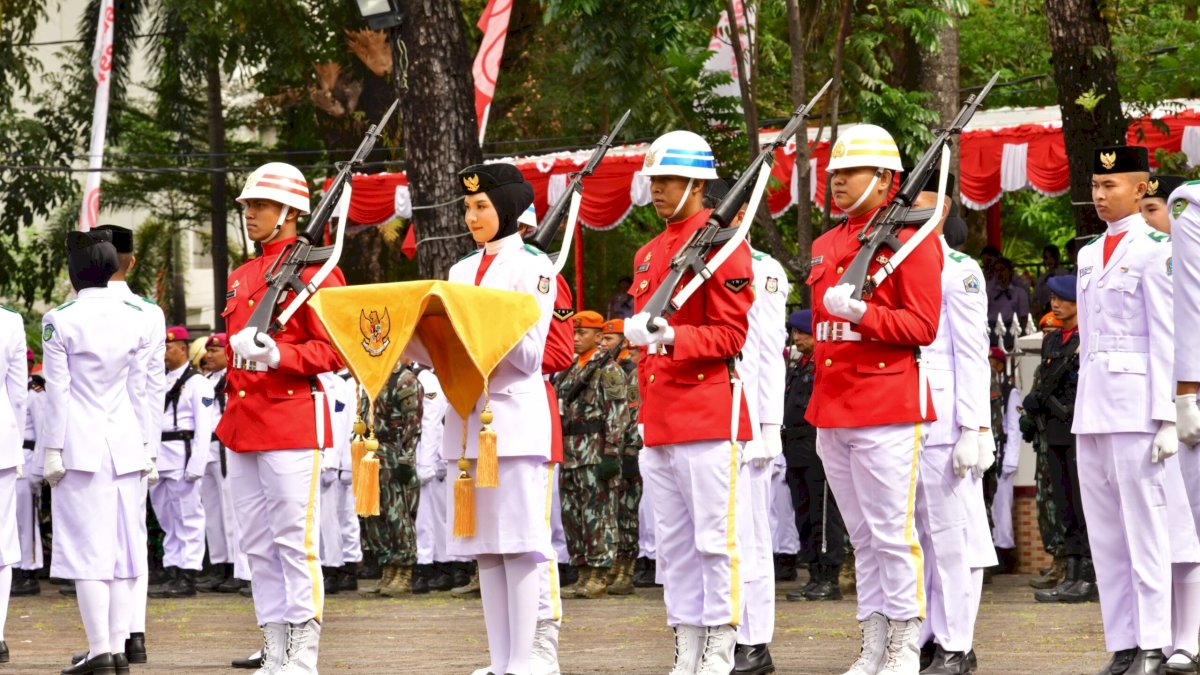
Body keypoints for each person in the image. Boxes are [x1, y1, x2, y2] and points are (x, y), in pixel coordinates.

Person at [805, 123, 943, 675]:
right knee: (862, 538)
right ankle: (872, 644)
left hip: (885, 404)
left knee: (891, 534)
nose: (837, 181)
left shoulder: (913, 239)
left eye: (850, 172)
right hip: (832, 405)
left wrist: (863, 313)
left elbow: (923, 325)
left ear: (886, 179)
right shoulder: (826, 244)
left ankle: (904, 646)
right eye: (834, 172)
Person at [408, 162, 555, 675]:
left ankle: (524, 661)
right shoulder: (459, 271)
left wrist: (476, 329)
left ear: (508, 208)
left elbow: (531, 355)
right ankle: (499, 662)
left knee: (519, 546)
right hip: (466, 420)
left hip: (511, 422)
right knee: (486, 551)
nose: (472, 217)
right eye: (468, 207)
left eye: (482, 207)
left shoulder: (534, 266)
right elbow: (447, 352)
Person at [623, 129, 753, 674]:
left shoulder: (724, 244)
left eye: (671, 179)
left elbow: (732, 335)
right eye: (654, 179)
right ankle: (687, 647)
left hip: (706, 410)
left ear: (698, 185)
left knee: (714, 542)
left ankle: (720, 648)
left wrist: (672, 335)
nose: (658, 189)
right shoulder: (648, 253)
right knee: (672, 546)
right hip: (660, 416)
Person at [1074, 145, 1198, 675]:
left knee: (1147, 533)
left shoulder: (1156, 250)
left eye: (1111, 186)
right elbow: (1088, 340)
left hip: (1138, 410)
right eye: (1096, 187)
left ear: (1142, 188)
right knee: (1107, 537)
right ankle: (1122, 643)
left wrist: (1167, 415)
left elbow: (1168, 336)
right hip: (1093, 408)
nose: (1100, 196)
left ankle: (1152, 642)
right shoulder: (1087, 254)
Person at [220, 161, 347, 674]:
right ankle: (273, 653)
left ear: (290, 212)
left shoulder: (319, 273)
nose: (250, 213)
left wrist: (279, 355)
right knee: (256, 546)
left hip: (291, 419)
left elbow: (336, 350)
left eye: (261, 205)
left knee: (294, 543)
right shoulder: (241, 276)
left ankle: (301, 657)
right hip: (242, 423)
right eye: (248, 205)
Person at [43, 230, 154, 675]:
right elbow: (140, 389)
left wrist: (52, 450)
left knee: (86, 552)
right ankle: (119, 647)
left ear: (75, 273)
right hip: (125, 444)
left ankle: (99, 650)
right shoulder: (137, 316)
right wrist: (147, 446)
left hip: (81, 446)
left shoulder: (61, 319)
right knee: (124, 551)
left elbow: (58, 392)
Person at [909, 175, 995, 675]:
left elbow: (972, 352)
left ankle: (955, 644)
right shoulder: (896, 262)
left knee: (952, 536)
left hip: (945, 417)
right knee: (916, 538)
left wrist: (975, 428)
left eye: (917, 201)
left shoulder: (958, 269)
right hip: (901, 413)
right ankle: (925, 635)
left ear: (941, 207)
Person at [92, 223, 166, 664]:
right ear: (132, 261)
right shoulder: (147, 313)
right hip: (134, 438)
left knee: (95, 538)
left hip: (88, 441)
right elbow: (154, 387)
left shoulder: (72, 312)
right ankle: (133, 635)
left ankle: (105, 641)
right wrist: (150, 447)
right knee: (132, 534)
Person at [731, 238, 790, 675]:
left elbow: (770, 351)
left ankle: (752, 640)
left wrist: (768, 425)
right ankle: (715, 631)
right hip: (700, 414)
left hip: (746, 417)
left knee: (749, 533)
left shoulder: (762, 267)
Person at [1023, 275, 1096, 604]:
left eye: (1063, 299)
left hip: (1077, 430)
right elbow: (1043, 381)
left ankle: (1087, 577)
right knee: (1064, 505)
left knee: (1082, 506)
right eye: (1053, 298)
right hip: (1053, 433)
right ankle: (1070, 573)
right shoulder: (1052, 341)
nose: (1055, 304)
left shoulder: (1086, 339)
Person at [552, 310, 627, 600]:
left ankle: (600, 573)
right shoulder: (569, 369)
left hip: (595, 451)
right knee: (572, 515)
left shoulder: (608, 370)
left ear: (598, 337)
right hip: (570, 452)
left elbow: (617, 415)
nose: (575, 338)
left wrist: (612, 454)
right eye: (573, 332)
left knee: (598, 514)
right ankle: (582, 571)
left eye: (582, 333)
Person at [781, 308, 846, 604]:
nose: (796, 338)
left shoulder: (823, 364)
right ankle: (814, 574)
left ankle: (828, 577)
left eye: (802, 333)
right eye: (794, 333)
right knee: (804, 513)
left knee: (823, 514)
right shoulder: (800, 365)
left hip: (815, 444)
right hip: (795, 446)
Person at [148, 326, 215, 599]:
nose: (163, 353)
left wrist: (197, 463)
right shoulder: (159, 381)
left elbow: (204, 427)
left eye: (167, 347)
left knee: (188, 517)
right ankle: (173, 568)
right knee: (167, 518)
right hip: (161, 456)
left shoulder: (198, 383)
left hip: (182, 456)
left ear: (183, 349)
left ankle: (188, 573)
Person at [1170, 175, 1200, 674]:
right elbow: (1191, 303)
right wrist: (1188, 392)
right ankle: (1187, 636)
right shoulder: (1191, 203)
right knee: (1189, 522)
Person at [359, 364, 423, 597]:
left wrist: (406, 459)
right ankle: (388, 569)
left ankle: (404, 572)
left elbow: (413, 424)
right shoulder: (371, 376)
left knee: (399, 514)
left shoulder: (405, 380)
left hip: (394, 455)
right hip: (371, 455)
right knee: (376, 516)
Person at [197, 333, 245, 594]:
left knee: (231, 510)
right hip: (208, 447)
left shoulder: (235, 378)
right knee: (212, 510)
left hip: (227, 447)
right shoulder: (205, 381)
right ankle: (220, 565)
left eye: (215, 350)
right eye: (208, 351)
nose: (209, 355)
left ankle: (239, 568)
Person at [600, 318, 642, 597]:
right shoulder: (609, 368)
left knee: (627, 512)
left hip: (630, 450)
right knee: (614, 512)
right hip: (614, 448)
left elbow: (633, 412)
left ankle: (627, 570)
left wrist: (629, 450)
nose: (604, 343)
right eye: (602, 339)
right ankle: (615, 564)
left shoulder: (632, 372)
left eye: (609, 339)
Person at [412, 365, 455, 594]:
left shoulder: (427, 379)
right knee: (426, 518)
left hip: (432, 458)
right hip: (422, 455)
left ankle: (441, 567)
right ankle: (431, 565)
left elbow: (432, 422)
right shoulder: (419, 375)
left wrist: (428, 462)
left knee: (434, 518)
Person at [0, 303, 26, 664]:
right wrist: (15, 441)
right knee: (2, 542)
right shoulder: (9, 321)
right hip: (1, 443)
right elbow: (18, 393)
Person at [13, 352, 44, 598]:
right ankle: (14, 568)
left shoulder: (35, 392)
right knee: (10, 520)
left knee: (27, 519)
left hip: (28, 460)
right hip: (9, 462)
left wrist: (38, 469)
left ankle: (30, 571)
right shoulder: (8, 390)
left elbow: (44, 432)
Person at [986, 258, 1030, 349]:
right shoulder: (989, 292)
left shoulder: (1019, 292)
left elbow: (1024, 316)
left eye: (1002, 269)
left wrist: (1023, 335)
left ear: (1010, 271)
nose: (999, 273)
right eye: (996, 271)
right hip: (992, 330)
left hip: (1011, 331)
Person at [1031, 245, 1070, 317]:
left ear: (1056, 257)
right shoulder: (1042, 278)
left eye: (1051, 257)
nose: (1049, 260)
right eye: (1046, 258)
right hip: (1047, 312)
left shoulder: (1065, 274)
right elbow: (1036, 297)